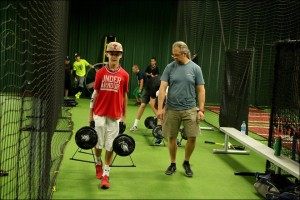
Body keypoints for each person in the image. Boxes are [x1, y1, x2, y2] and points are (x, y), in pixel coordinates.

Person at [157, 41, 205, 177]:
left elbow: (201, 90)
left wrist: (201, 110)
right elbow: (162, 88)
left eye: (176, 55)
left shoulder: (195, 69)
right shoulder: (170, 67)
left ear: (184, 53)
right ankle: (173, 164)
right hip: (172, 109)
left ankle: (186, 162)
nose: (174, 57)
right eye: (173, 55)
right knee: (171, 137)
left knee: (192, 137)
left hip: (190, 108)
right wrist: (160, 108)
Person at [88, 42, 129, 189]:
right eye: (111, 53)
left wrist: (124, 117)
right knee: (98, 143)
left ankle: (106, 174)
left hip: (115, 115)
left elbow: (124, 96)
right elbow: (95, 93)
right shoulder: (100, 73)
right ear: (107, 54)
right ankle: (98, 162)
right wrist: (90, 116)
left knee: (111, 145)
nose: (114, 56)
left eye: (117, 54)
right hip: (99, 113)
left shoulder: (125, 75)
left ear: (121, 56)